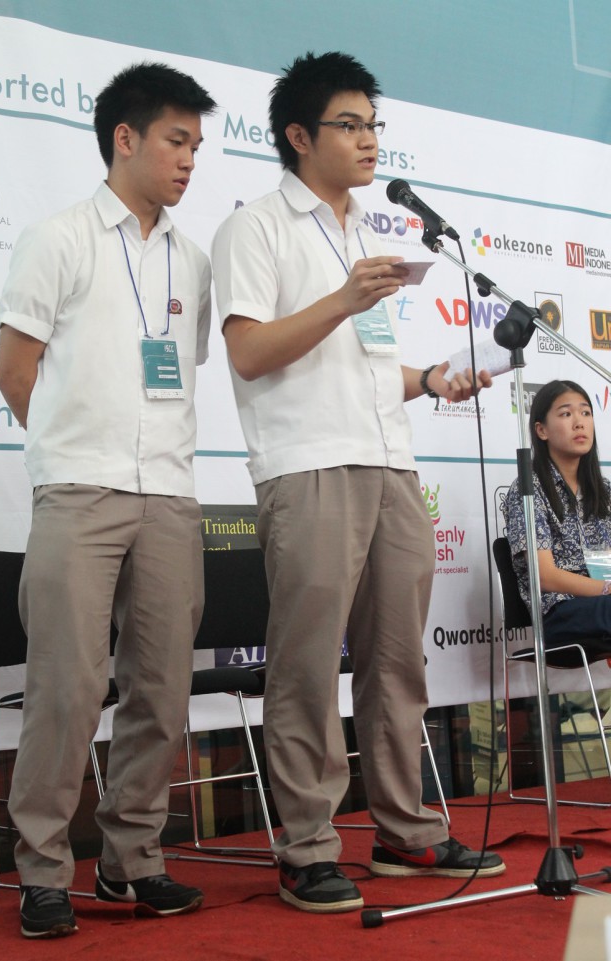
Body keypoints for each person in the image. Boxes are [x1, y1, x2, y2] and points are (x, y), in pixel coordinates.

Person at [211, 50, 505, 914]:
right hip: (308, 466)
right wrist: (342, 298)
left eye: (375, 124)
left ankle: (405, 830)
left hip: (391, 464)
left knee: (398, 662)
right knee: (307, 665)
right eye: (350, 125)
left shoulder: (364, 234)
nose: (370, 140)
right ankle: (306, 846)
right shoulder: (256, 228)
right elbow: (250, 352)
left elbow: (362, 364)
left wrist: (432, 378)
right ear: (299, 136)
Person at [0, 62, 216, 939]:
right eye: (175, 140)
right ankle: (43, 871)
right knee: (67, 686)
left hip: (170, 492)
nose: (189, 160)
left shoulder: (192, 259)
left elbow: (180, 371)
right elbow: (15, 371)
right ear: (125, 138)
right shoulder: (56, 238)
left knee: (161, 688)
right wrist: (68, 452)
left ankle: (132, 860)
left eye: (196, 145)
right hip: (80, 492)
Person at [504, 379, 611, 647]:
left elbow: (606, 564)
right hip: (558, 611)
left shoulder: (603, 490)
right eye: (566, 414)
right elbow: (545, 576)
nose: (579, 422)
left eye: (585, 412)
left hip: (602, 603)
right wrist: (606, 589)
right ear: (541, 430)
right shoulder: (528, 490)